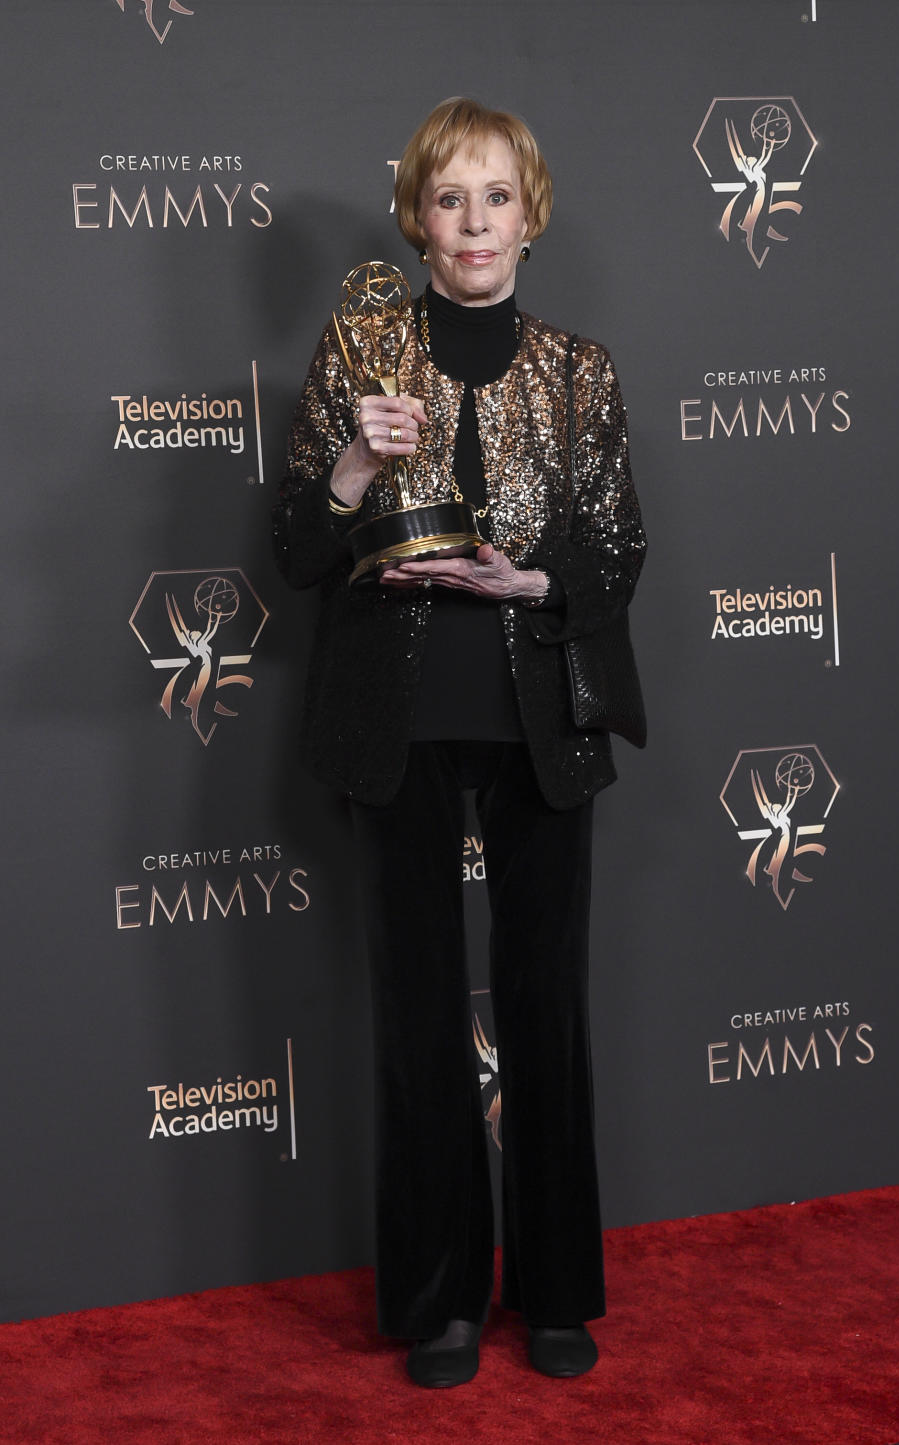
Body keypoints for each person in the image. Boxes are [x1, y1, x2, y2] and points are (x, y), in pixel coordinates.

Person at [273, 97, 646, 1388]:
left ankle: (553, 1288)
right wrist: (352, 476)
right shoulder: (360, 351)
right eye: (450, 198)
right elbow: (296, 549)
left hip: (538, 720)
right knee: (421, 1015)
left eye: (497, 197)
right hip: (401, 725)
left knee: (547, 1005)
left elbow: (618, 551)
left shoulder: (581, 368)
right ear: (416, 215)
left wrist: (532, 586)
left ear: (528, 216)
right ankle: (437, 1296)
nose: (474, 221)